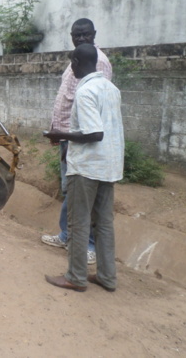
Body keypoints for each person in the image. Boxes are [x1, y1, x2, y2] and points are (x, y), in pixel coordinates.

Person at [43, 43, 124, 292]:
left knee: (78, 222)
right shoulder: (111, 89)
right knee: (103, 223)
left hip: (87, 167)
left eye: (72, 64)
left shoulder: (85, 91)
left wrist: (61, 134)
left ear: (76, 62)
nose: (72, 68)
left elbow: (94, 133)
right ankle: (107, 277)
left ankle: (75, 277)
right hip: (109, 166)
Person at [41, 18, 112, 265]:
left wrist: (63, 135)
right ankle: (66, 235)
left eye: (85, 34)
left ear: (94, 34)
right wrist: (57, 132)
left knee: (82, 192)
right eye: (76, 35)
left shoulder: (97, 63)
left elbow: (94, 118)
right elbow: (67, 99)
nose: (80, 38)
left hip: (81, 140)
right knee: (70, 189)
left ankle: (89, 245)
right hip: (67, 137)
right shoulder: (78, 60)